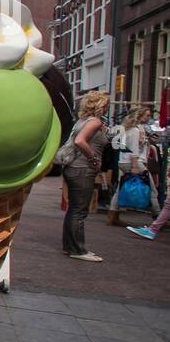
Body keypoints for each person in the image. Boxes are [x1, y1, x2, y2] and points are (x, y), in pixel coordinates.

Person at [61, 91, 109, 262]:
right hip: (82, 169)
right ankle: (78, 250)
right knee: (79, 210)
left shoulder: (82, 121)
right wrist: (93, 158)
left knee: (74, 209)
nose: (108, 107)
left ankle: (70, 246)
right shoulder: (94, 122)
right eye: (107, 103)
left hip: (73, 168)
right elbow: (80, 141)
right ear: (101, 105)